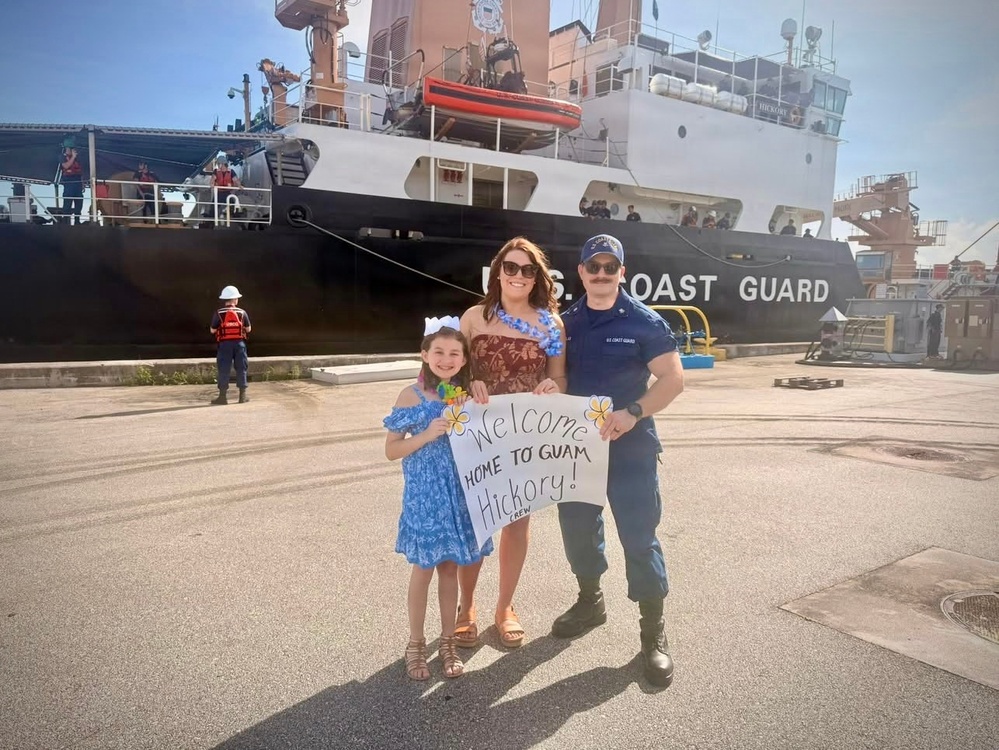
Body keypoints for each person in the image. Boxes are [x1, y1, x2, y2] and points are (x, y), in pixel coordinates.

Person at [552, 233, 685, 688]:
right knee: (576, 529)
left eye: (611, 267)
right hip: (577, 450)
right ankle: (591, 601)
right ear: (581, 272)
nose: (602, 274)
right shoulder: (565, 323)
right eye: (594, 266)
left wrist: (634, 412)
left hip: (630, 448)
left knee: (639, 538)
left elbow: (672, 379)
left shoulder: (645, 322)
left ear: (622, 273)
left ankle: (653, 632)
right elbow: (556, 377)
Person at [456, 237, 565, 649]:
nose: (519, 275)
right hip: (478, 434)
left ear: (537, 277)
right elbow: (447, 372)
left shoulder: (551, 325)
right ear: (497, 272)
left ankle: (505, 606)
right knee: (475, 519)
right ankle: (466, 606)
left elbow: (560, 376)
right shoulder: (473, 318)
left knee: (517, 522)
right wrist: (468, 382)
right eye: (511, 267)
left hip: (525, 436)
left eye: (528, 269)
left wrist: (555, 387)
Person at [383, 318, 493, 681]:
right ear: (424, 355)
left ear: (464, 360)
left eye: (454, 354)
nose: (446, 360)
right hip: (425, 497)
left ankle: (447, 641)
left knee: (450, 569)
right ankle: (415, 643)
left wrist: (473, 403)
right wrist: (427, 434)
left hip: (459, 493)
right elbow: (392, 449)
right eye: (439, 352)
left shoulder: (464, 395)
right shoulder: (410, 396)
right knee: (424, 569)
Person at [209, 285, 252, 405]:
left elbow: (212, 330)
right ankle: (242, 397)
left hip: (224, 345)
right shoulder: (242, 312)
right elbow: (248, 329)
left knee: (224, 369)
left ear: (225, 299)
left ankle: (222, 397)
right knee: (241, 368)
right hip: (239, 344)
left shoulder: (218, 313)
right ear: (235, 300)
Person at [210, 157, 242, 222]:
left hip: (227, 193)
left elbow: (235, 180)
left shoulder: (231, 171)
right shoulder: (216, 171)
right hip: (219, 193)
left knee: (233, 206)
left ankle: (237, 219)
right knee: (213, 208)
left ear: (222, 164)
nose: (218, 165)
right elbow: (213, 179)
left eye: (219, 163)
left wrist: (239, 185)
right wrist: (212, 184)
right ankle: (211, 220)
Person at [60, 146, 84, 225]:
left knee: (79, 202)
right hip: (69, 182)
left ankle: (77, 221)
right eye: (69, 149)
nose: (71, 151)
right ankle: (65, 221)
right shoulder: (62, 157)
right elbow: (66, 166)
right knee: (67, 202)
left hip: (78, 182)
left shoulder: (78, 159)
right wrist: (73, 157)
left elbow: (80, 172)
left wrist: (82, 184)